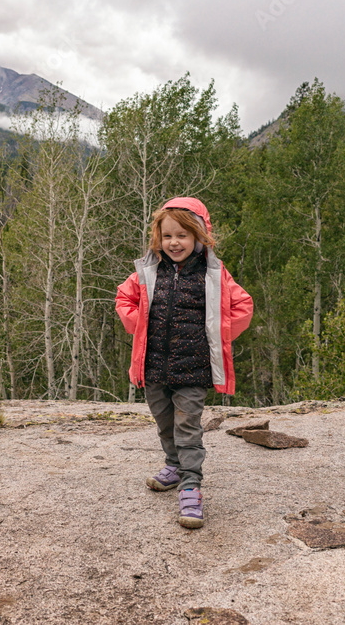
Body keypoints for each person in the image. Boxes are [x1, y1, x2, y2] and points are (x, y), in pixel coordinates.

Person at [115, 197, 253, 529]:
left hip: (193, 369)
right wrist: (140, 328)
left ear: (199, 237)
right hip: (154, 368)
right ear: (157, 239)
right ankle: (173, 467)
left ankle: (191, 485)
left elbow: (243, 306)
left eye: (182, 236)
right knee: (165, 424)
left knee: (187, 428)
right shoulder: (148, 271)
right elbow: (124, 298)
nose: (174, 243)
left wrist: (217, 336)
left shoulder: (214, 274)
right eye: (167, 236)